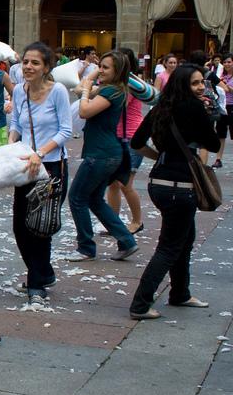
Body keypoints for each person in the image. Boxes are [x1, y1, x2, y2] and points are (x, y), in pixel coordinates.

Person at [128, 64, 218, 319]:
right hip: (181, 188)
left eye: (202, 82)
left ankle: (180, 293)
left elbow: (136, 143)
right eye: (195, 83)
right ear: (182, 85)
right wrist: (208, 119)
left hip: (159, 183)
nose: (201, 87)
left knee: (185, 239)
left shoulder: (160, 109)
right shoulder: (194, 108)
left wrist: (159, 156)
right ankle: (140, 304)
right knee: (169, 246)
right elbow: (211, 143)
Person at [8, 43, 73, 308]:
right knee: (20, 226)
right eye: (25, 62)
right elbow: (15, 124)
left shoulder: (57, 91)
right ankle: (43, 272)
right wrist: (11, 144)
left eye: (35, 63)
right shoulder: (19, 91)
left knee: (40, 226)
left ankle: (36, 282)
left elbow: (65, 131)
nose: (28, 67)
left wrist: (41, 153)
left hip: (52, 167)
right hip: (25, 165)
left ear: (47, 67)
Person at [66, 51, 138, 262]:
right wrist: (92, 77)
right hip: (105, 153)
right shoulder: (111, 89)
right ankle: (126, 241)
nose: (101, 71)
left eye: (106, 67)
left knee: (77, 198)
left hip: (101, 154)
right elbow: (81, 89)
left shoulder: (112, 92)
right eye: (101, 66)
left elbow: (84, 111)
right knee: (95, 200)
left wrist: (87, 90)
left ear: (118, 71)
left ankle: (86, 247)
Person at [106, 48, 146, 236]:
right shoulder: (118, 83)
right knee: (113, 183)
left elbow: (116, 104)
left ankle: (137, 221)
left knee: (125, 184)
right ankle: (113, 223)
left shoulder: (129, 85)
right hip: (117, 137)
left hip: (131, 138)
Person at [205, 54, 233, 168]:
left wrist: (225, 85)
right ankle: (218, 159)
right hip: (221, 106)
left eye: (229, 62)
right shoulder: (219, 74)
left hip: (232, 106)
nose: (226, 64)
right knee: (221, 133)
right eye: (225, 62)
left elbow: (227, 89)